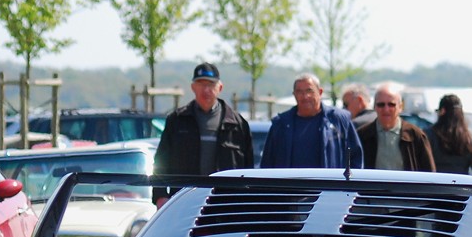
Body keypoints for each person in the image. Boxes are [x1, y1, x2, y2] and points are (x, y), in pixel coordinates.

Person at [152, 62, 253, 206]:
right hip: (184, 201)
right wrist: (160, 196)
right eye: (201, 84)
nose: (206, 90)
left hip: (227, 204)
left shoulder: (237, 124)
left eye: (211, 84)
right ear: (193, 87)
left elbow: (247, 170)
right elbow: (161, 162)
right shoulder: (177, 120)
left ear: (220, 87)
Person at [260, 73, 364, 169]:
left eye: (309, 91)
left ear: (320, 92)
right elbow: (267, 163)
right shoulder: (280, 124)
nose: (305, 97)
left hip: (328, 187)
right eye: (299, 92)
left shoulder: (339, 120)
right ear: (294, 94)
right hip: (290, 188)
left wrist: (347, 186)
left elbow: (356, 158)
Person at [357, 83, 435, 171]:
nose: (386, 109)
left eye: (391, 104)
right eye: (381, 105)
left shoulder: (416, 136)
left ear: (401, 107)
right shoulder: (362, 136)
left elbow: (429, 173)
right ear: (374, 107)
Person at [428, 93, 472, 178]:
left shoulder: (428, 136)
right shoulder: (470, 139)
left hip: (433, 187)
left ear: (442, 111)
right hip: (460, 188)